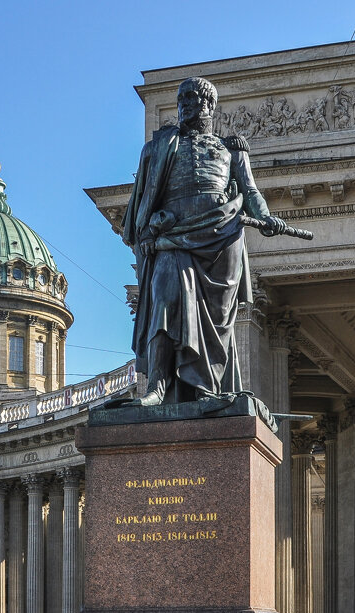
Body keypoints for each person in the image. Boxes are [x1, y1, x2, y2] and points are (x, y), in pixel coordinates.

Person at [121, 76, 291, 407]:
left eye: (192, 99)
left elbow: (250, 189)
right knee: (165, 296)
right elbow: (143, 201)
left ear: (209, 106)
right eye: (181, 99)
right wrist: (152, 222)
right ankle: (156, 385)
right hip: (174, 238)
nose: (184, 105)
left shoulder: (231, 149)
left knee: (217, 319)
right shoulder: (160, 147)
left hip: (221, 237)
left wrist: (266, 216)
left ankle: (205, 388)